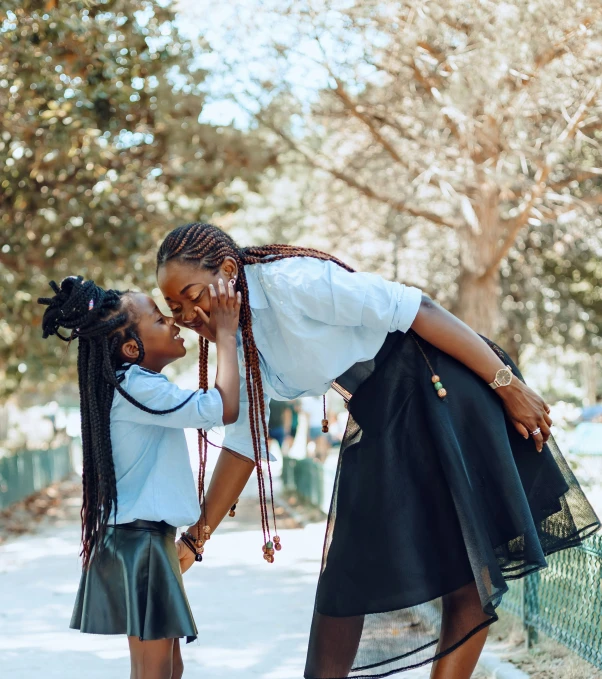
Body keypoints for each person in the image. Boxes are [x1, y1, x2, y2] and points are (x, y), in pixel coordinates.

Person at [156, 223, 600, 679]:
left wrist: (507, 386)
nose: (190, 313)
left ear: (228, 270)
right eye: (175, 308)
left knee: (469, 576)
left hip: (439, 386)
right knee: (346, 581)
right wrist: (195, 539)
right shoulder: (237, 339)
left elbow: (418, 308)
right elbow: (244, 443)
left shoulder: (293, 282)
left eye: (194, 295)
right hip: (382, 411)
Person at [38, 274, 241, 679]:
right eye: (160, 319)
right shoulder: (139, 390)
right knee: (155, 672)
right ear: (133, 348)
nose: (174, 322)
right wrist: (226, 334)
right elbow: (225, 407)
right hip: (141, 543)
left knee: (168, 668)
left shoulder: (134, 387)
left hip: (144, 541)